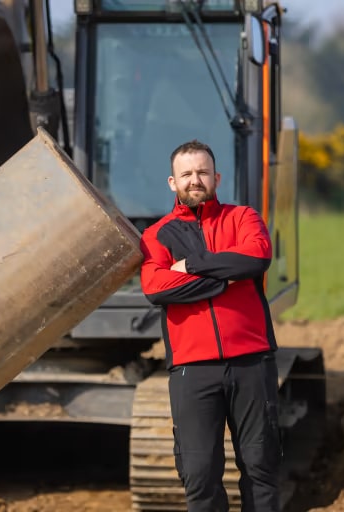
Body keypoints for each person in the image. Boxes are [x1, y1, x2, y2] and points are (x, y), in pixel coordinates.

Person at [139, 139, 281, 511]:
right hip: (192, 370)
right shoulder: (156, 235)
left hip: (252, 362)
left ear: (216, 177)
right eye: (186, 174)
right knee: (199, 475)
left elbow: (256, 259)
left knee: (261, 466)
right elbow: (155, 287)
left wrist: (191, 265)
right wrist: (223, 276)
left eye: (202, 172)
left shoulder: (243, 218)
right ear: (173, 182)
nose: (195, 180)